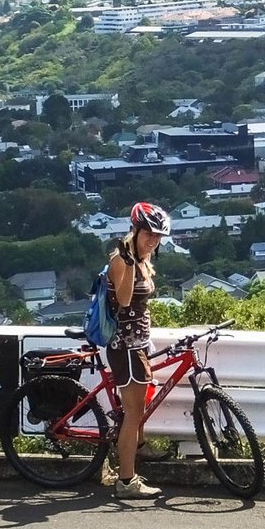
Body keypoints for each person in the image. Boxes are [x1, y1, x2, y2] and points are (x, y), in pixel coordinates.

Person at [105, 201, 171, 499]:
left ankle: (140, 448)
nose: (153, 240)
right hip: (125, 346)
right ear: (135, 230)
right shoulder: (122, 259)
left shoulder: (143, 258)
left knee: (138, 407)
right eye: (149, 234)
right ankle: (127, 481)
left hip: (139, 342)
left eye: (158, 236)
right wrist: (131, 263)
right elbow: (124, 300)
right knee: (133, 413)